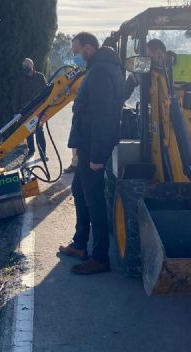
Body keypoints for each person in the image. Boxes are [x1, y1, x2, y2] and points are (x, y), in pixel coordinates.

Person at [59, 32, 124, 274]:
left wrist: (96, 157)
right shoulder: (104, 68)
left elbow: (102, 117)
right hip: (88, 146)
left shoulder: (99, 73)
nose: (75, 56)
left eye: (77, 51)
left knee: (95, 200)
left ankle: (100, 258)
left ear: (89, 48)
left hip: (92, 148)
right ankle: (79, 244)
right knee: (78, 190)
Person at [123, 39, 191, 100]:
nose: (147, 59)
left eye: (149, 55)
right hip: (160, 116)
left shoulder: (187, 61)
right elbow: (132, 79)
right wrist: (121, 99)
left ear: (159, 53)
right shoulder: (148, 67)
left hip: (190, 108)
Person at [14, 58, 47, 158]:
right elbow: (16, 95)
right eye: (24, 66)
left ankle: (43, 154)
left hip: (38, 109)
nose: (26, 68)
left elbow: (46, 91)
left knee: (39, 131)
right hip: (26, 110)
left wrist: (46, 106)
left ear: (32, 65)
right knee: (28, 131)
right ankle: (31, 151)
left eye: (27, 65)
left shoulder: (40, 77)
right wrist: (16, 112)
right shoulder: (20, 79)